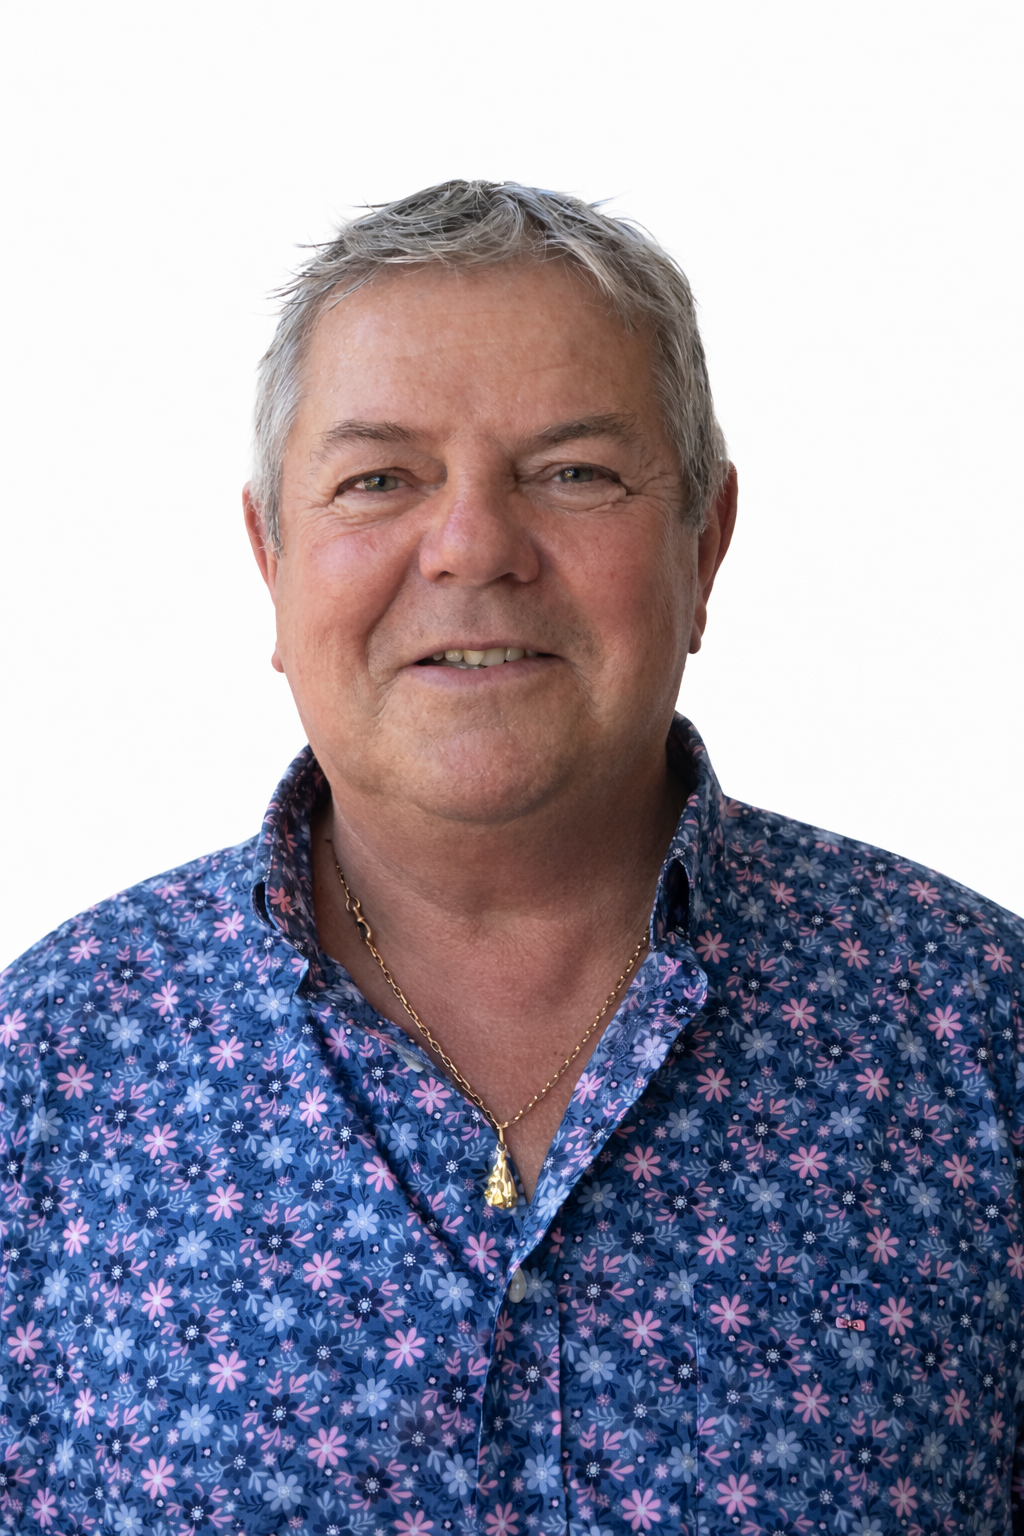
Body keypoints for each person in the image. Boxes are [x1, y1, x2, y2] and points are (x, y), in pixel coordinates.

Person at [1, 180, 1021, 1536]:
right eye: (379, 479)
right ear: (270, 558)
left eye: (573, 472)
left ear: (705, 544)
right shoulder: (51, 1064)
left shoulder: (978, 1031)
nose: (474, 545)